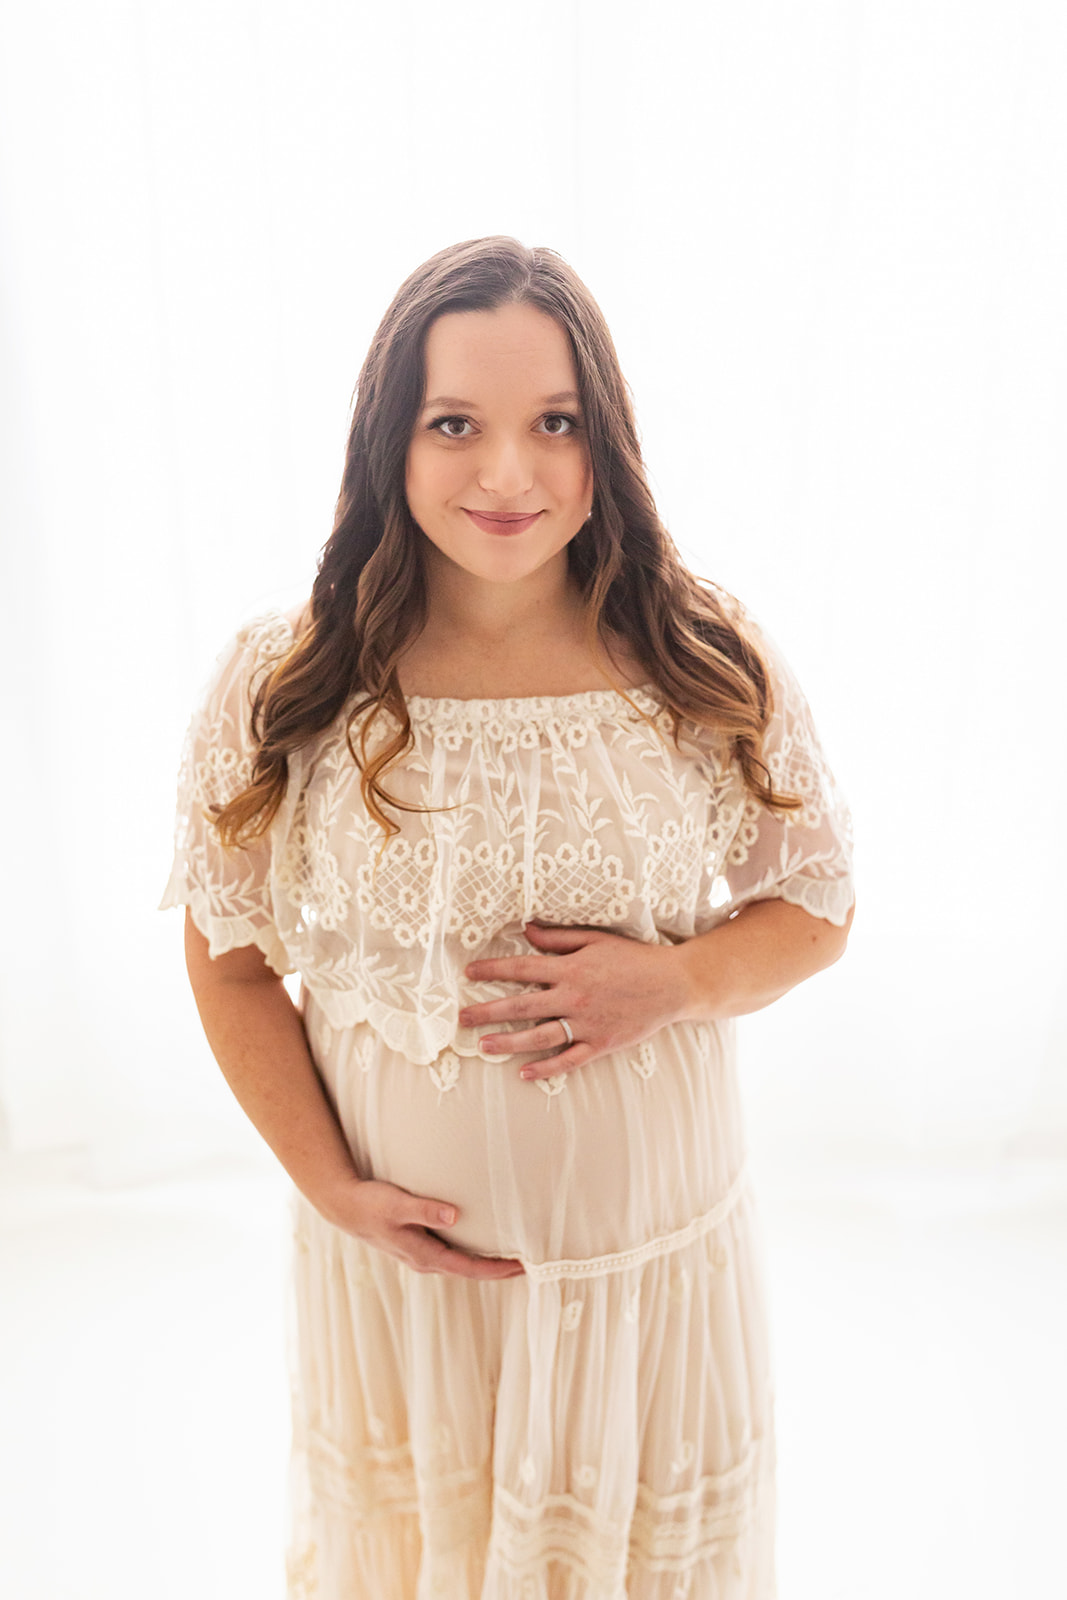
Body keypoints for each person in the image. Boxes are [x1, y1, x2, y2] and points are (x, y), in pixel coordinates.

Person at [162, 235, 855, 1600]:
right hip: (410, 1305)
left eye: (556, 423)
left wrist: (676, 982)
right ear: (389, 442)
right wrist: (333, 1189)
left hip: (649, 1293)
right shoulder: (290, 674)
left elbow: (815, 903)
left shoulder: (699, 654)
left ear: (608, 437)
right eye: (454, 425)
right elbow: (230, 958)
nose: (508, 474)